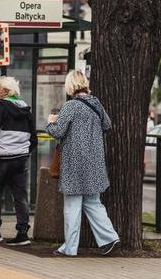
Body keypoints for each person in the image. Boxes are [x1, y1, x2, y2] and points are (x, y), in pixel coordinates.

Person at [46, 70, 120, 256]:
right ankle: (109, 237)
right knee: (93, 203)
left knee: (72, 206)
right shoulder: (96, 103)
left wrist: (51, 122)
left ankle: (70, 248)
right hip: (94, 162)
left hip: (74, 162)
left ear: (71, 86)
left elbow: (58, 131)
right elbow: (108, 125)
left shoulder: (71, 106)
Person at [0, 76, 37, 246]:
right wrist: (24, 153)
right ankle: (22, 233)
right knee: (20, 196)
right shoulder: (26, 109)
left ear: (5, 91)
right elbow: (33, 138)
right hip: (20, 160)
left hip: (1, 160)